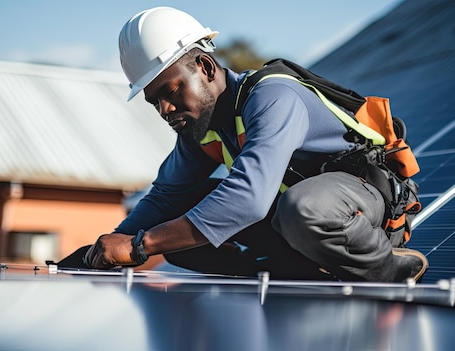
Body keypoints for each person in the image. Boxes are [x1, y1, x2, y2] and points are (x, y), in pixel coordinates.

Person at [70, 6, 427, 281]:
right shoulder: (201, 128)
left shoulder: (273, 96)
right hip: (297, 225)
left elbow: (249, 199)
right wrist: (104, 248)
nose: (165, 109)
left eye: (171, 91)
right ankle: (280, 274)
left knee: (303, 207)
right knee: (173, 222)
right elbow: (164, 196)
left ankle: (387, 271)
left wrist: (139, 246)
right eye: (154, 101)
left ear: (206, 68)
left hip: (361, 214)